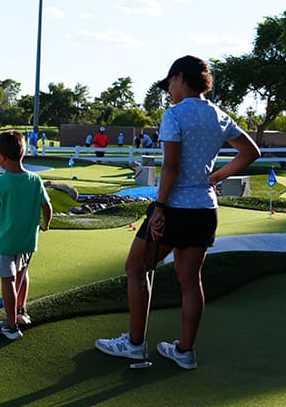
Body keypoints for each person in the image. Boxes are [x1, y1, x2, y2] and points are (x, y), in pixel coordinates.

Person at [95, 56, 260, 369]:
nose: (169, 90)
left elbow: (170, 166)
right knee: (190, 279)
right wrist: (217, 176)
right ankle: (184, 351)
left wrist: (159, 207)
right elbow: (251, 152)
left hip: (174, 207)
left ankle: (134, 344)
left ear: (181, 78)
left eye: (169, 83)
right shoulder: (219, 116)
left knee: (136, 268)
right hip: (204, 209)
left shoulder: (174, 115)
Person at [0, 131, 53, 340]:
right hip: (27, 241)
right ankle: (21, 311)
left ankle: (11, 326)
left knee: (8, 281)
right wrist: (46, 224)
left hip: (4, 242)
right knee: (23, 273)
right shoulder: (35, 180)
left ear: (2, 157)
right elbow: (47, 207)